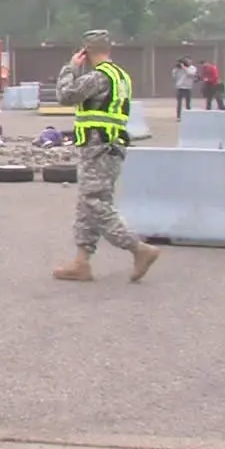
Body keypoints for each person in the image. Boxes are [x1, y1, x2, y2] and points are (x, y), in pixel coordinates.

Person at [53, 30, 161, 283]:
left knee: (95, 203)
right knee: (87, 204)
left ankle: (138, 249)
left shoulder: (98, 77)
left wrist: (69, 68)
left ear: (86, 51)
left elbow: (65, 96)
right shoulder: (121, 75)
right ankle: (81, 261)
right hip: (110, 146)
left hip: (98, 146)